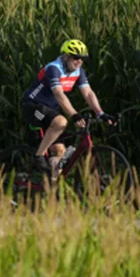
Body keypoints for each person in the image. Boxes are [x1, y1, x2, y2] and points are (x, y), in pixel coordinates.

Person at [21, 39, 116, 176]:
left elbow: (88, 93)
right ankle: (38, 157)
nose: (79, 62)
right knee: (61, 122)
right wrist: (74, 114)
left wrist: (100, 113)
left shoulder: (78, 71)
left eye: (82, 59)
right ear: (65, 56)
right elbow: (59, 94)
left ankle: (51, 191)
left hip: (50, 111)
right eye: (76, 57)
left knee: (60, 153)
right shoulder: (54, 68)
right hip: (32, 107)